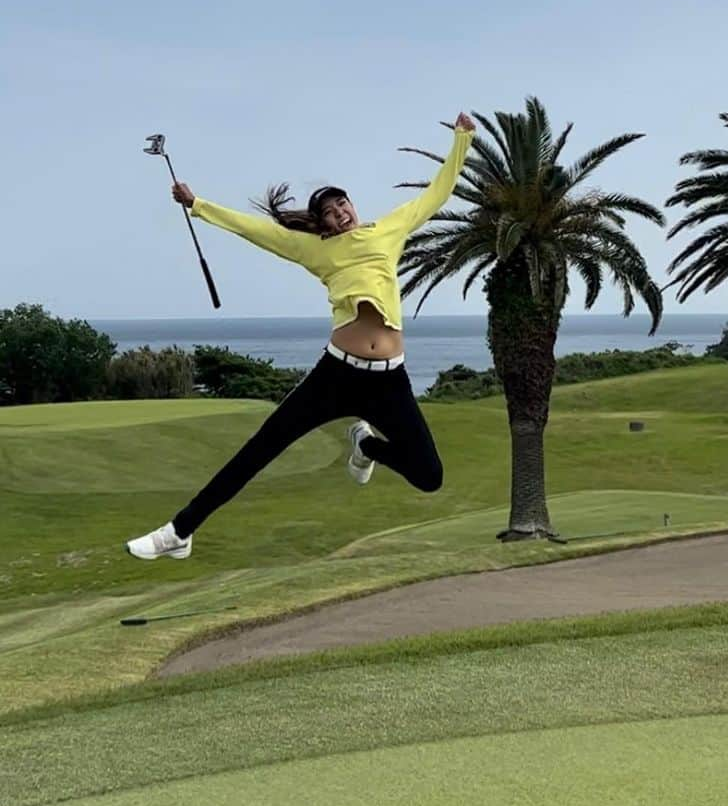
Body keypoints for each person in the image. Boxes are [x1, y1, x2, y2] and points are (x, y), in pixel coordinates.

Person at [125, 113, 476, 560]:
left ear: (354, 205)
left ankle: (365, 445)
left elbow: (437, 192)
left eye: (342, 205)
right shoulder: (316, 249)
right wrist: (198, 205)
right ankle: (179, 531)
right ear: (323, 226)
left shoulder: (389, 230)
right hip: (336, 375)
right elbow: (259, 232)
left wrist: (461, 138)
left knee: (430, 475)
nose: (339, 214)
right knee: (261, 448)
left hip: (389, 381)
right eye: (329, 214)